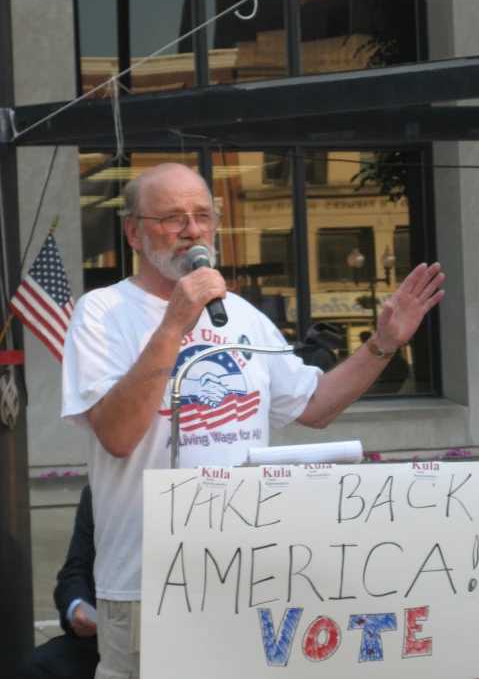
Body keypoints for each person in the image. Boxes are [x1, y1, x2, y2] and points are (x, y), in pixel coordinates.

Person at [61, 162, 445, 678]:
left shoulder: (240, 315)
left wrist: (383, 345)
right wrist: (177, 320)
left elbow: (313, 407)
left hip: (248, 577)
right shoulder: (102, 312)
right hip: (147, 581)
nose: (192, 231)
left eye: (203, 216)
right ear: (133, 230)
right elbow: (118, 435)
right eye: (173, 218)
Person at [21, 486, 99, 678]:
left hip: (166, 636)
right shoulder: (96, 494)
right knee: (39, 665)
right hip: (102, 638)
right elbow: (75, 571)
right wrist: (78, 606)